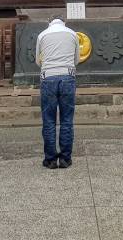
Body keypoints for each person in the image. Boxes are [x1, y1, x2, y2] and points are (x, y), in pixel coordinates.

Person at [35, 17, 79, 168]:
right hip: (68, 77)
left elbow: (37, 60)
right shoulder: (72, 34)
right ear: (63, 22)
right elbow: (77, 59)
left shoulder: (42, 35)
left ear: (49, 22)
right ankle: (65, 158)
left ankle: (51, 159)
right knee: (67, 119)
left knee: (49, 120)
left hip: (48, 78)